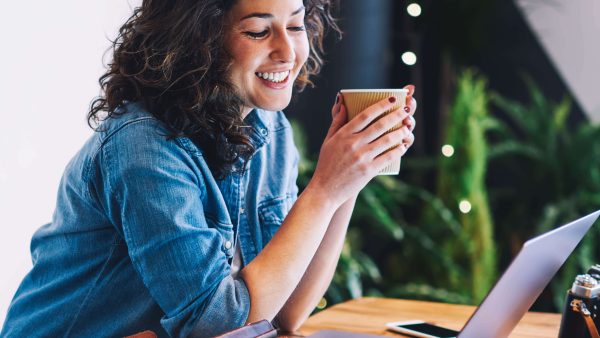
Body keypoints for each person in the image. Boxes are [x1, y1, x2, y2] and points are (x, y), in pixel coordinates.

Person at [1, 0, 416, 337]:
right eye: (258, 31)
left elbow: (285, 314)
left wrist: (350, 177)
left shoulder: (269, 127)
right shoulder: (144, 147)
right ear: (200, 40)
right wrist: (324, 188)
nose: (288, 53)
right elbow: (217, 326)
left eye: (295, 25)